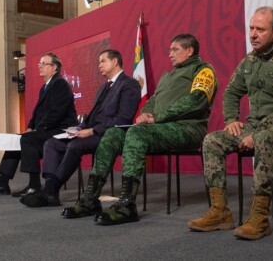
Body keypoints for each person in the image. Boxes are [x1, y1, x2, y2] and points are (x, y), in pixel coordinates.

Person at [62, 34, 217, 225]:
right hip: (160, 129)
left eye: (174, 49)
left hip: (187, 129)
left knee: (136, 133)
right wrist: (144, 114)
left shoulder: (203, 70)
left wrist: (157, 117)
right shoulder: (168, 75)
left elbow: (196, 101)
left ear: (189, 50)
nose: (170, 54)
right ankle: (90, 199)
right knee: (112, 134)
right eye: (169, 50)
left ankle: (127, 204)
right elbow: (152, 101)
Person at [188, 6, 273, 240]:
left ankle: (260, 218)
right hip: (256, 126)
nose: (253, 34)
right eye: (251, 28)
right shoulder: (249, 61)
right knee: (212, 140)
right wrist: (232, 119)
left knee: (264, 138)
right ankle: (220, 211)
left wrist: (257, 132)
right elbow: (231, 92)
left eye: (260, 30)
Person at [21, 49, 140, 207]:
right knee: (52, 143)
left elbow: (123, 119)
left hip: (110, 134)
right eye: (98, 62)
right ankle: (51, 192)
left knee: (74, 145)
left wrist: (91, 131)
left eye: (102, 61)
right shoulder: (103, 87)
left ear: (115, 62)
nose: (99, 65)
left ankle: (50, 191)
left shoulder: (129, 84)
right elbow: (91, 117)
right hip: (91, 131)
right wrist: (77, 128)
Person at [0, 53, 76, 197]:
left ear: (54, 67)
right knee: (15, 140)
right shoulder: (45, 86)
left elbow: (56, 114)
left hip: (60, 130)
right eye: (39, 63)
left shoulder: (60, 84)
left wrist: (36, 130)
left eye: (44, 64)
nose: (39, 66)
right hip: (47, 129)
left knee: (27, 140)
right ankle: (2, 183)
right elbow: (37, 113)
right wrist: (30, 128)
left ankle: (34, 185)